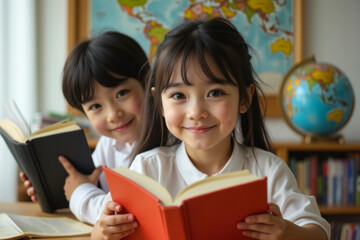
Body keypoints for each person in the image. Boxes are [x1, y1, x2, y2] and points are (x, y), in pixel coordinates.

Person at [92, 18, 331, 240]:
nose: (196, 112)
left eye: (215, 93)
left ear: (245, 99)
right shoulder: (146, 169)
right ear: (160, 104)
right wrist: (103, 232)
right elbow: (100, 231)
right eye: (178, 95)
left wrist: (287, 232)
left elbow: (318, 232)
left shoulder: (269, 170)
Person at [19, 31, 149, 228]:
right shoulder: (110, 142)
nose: (113, 115)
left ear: (147, 82)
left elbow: (121, 216)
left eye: (121, 93)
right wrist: (50, 190)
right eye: (95, 107)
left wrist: (79, 193)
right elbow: (91, 185)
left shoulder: (163, 145)